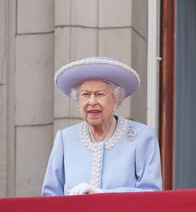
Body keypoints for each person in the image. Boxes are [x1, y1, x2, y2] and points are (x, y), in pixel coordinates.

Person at [42, 57, 162, 195]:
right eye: (85, 95)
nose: (92, 101)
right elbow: (49, 196)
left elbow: (151, 194)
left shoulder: (142, 136)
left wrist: (101, 194)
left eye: (99, 94)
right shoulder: (65, 138)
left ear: (116, 100)